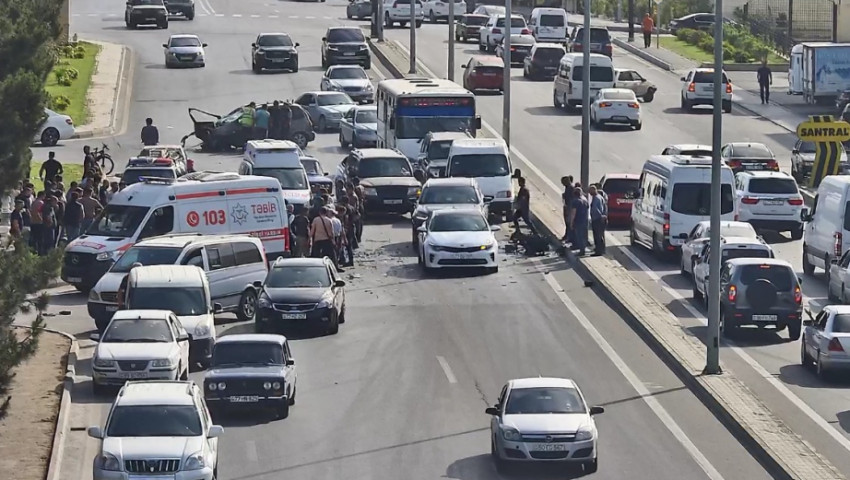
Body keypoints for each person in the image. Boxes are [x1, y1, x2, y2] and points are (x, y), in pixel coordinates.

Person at [569, 187, 589, 256]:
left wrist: (571, 223)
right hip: (585, 220)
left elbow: (573, 213)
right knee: (584, 235)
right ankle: (584, 248)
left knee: (579, 236)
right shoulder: (585, 200)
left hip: (578, 221)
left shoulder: (575, 201)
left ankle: (582, 250)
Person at [588, 185, 607, 256]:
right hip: (598, 219)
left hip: (598, 219)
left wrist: (599, 216)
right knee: (599, 235)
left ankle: (599, 251)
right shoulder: (599, 197)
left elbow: (598, 210)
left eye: (590, 191)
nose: (589, 193)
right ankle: (600, 249)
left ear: (594, 190)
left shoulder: (597, 198)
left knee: (597, 236)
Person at [561, 175, 573, 242]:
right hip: (567, 207)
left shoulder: (570, 188)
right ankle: (567, 235)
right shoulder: (567, 188)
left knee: (569, 223)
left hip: (569, 208)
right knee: (567, 223)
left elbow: (570, 199)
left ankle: (569, 237)